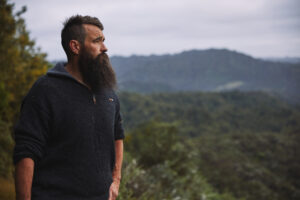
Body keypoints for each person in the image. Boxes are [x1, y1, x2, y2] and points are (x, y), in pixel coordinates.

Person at [13, 15, 125, 200]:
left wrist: (116, 180)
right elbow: (26, 152)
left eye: (104, 41)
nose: (105, 48)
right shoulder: (45, 91)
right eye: (97, 41)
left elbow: (117, 135)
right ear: (75, 46)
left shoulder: (108, 93)